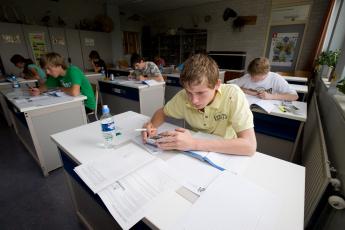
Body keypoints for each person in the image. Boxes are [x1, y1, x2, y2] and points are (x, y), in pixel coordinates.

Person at [142, 54, 256, 156]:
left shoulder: (233, 94)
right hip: (195, 153)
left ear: (217, 84)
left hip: (226, 152)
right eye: (189, 92)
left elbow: (250, 146)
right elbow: (162, 112)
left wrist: (194, 143)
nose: (194, 100)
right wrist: (152, 125)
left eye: (200, 93)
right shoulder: (183, 96)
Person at [30, 52, 96, 113]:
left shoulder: (73, 71)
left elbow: (75, 92)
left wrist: (61, 88)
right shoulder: (55, 76)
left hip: (86, 104)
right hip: (72, 102)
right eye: (45, 69)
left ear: (59, 65)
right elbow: (44, 87)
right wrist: (38, 90)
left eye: (49, 68)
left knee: (56, 113)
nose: (47, 72)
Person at [233, 57, 298, 101]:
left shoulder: (276, 78)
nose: (252, 79)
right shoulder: (248, 76)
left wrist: (271, 96)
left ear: (266, 73)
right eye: (251, 75)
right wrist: (248, 91)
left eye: (256, 78)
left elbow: (294, 96)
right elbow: (231, 87)